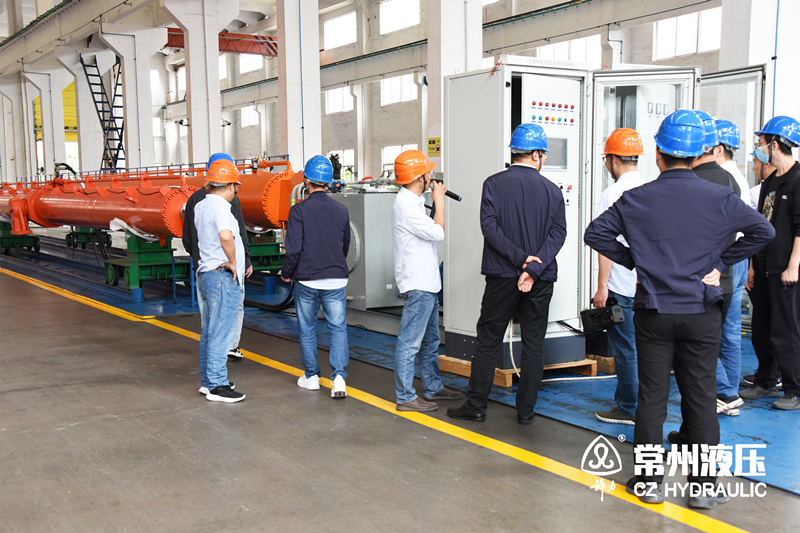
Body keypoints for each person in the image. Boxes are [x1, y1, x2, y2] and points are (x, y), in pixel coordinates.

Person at [584, 110, 774, 509]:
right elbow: (764, 230)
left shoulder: (637, 198)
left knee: (652, 398)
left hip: (653, 311)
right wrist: (721, 262)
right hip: (701, 311)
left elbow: (595, 233)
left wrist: (637, 261)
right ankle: (703, 487)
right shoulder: (719, 197)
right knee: (701, 398)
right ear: (699, 153)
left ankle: (649, 483)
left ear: (658, 153)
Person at [447, 123, 566, 424]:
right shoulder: (553, 191)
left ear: (515, 152)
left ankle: (476, 405)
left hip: (502, 275)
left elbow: (490, 229)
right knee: (534, 342)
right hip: (540, 278)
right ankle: (526, 412)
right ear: (537, 154)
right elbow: (558, 234)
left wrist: (520, 260)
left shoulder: (493, 184)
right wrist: (533, 267)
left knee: (489, 338)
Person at [392, 150, 463, 412]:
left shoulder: (413, 201)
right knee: (410, 343)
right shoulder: (406, 205)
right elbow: (438, 233)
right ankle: (405, 396)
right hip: (418, 284)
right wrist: (439, 202)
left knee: (431, 341)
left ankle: (433, 386)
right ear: (418, 177)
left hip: (427, 284)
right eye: (427, 172)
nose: (431, 176)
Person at [740, 116, 800, 410]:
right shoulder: (770, 181)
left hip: (784, 268)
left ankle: (794, 389)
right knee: (762, 327)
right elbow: (761, 226)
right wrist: (752, 265)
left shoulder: (797, 179)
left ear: (775, 144)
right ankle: (766, 380)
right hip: (763, 265)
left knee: (785, 330)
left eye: (761, 143)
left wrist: (793, 265)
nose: (758, 148)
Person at [281, 156, 351, 398]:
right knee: (338, 328)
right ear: (328, 182)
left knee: (308, 327)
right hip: (336, 279)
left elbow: (293, 249)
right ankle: (339, 379)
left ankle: (311, 377)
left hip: (307, 279)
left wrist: (286, 273)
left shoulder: (298, 210)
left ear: (306, 181)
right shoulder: (341, 210)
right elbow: (345, 245)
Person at [593, 128, 646, 426]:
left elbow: (604, 244)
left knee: (625, 349)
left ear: (613, 159)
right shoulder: (651, 188)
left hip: (620, 286)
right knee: (642, 347)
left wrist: (602, 287)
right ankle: (638, 403)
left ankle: (629, 407)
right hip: (646, 286)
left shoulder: (612, 194)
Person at [183, 153, 252, 369]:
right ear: (230, 184)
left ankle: (209, 376)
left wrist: (198, 259)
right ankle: (220, 369)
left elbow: (188, 238)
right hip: (224, 272)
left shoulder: (196, 201)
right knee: (227, 318)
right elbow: (233, 234)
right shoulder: (226, 203)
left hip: (203, 268)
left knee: (209, 322)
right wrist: (239, 260)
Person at [194, 159, 248, 403]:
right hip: (221, 277)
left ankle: (208, 381)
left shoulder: (201, 205)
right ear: (231, 186)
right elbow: (226, 236)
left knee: (209, 332)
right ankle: (217, 385)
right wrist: (234, 261)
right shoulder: (222, 208)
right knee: (221, 333)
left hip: (206, 274)